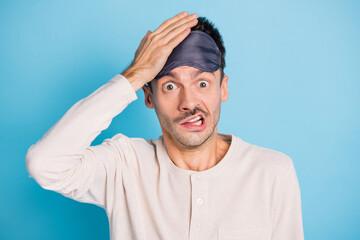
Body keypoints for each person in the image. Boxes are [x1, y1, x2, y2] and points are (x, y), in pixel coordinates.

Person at [25, 11, 304, 240]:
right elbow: (44, 163)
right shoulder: (124, 166)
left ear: (223, 89)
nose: (189, 102)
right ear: (148, 96)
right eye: (170, 86)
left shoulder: (272, 172)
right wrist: (133, 75)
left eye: (203, 83)